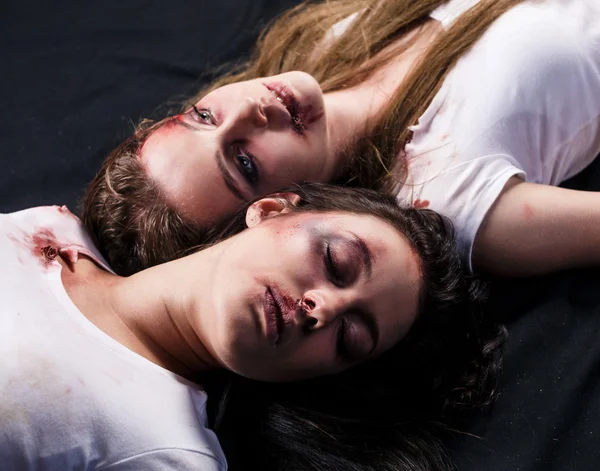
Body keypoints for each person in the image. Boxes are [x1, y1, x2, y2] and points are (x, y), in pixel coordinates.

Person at [0, 183, 504, 471]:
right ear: (269, 209)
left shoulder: (170, 463)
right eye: (336, 261)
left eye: (348, 337)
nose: (322, 308)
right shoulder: (50, 228)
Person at [82, 0, 600, 277]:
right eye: (243, 163)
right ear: (273, 214)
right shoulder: (450, 197)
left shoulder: (319, 43)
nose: (248, 110)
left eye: (202, 116)